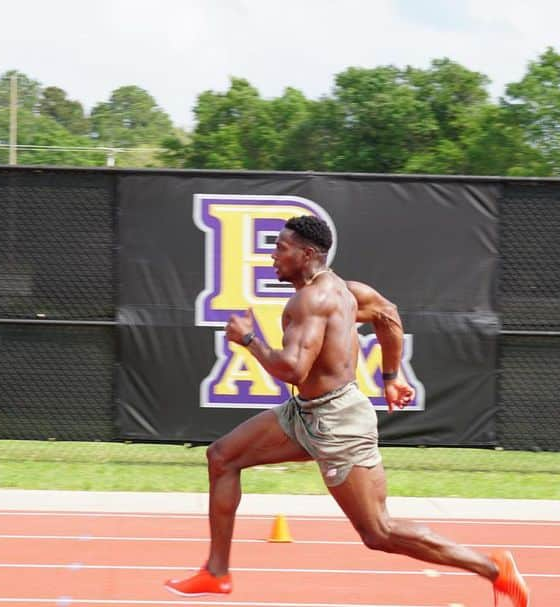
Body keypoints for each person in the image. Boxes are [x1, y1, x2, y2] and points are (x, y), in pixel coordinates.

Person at [164, 215, 530, 606]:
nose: (272, 256)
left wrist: (248, 339)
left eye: (280, 249)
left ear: (306, 254)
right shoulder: (348, 291)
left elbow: (292, 368)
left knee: (378, 532)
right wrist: (392, 375)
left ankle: (494, 568)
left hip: (337, 423)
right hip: (305, 412)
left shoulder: (312, 300)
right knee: (222, 457)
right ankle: (216, 573)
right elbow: (388, 314)